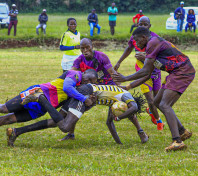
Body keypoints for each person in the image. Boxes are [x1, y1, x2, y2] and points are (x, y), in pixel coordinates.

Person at [112, 27, 195, 152]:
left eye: (137, 40)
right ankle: (183, 131)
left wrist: (125, 78)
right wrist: (128, 86)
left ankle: (177, 141)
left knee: (165, 104)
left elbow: (145, 70)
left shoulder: (152, 43)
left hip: (182, 71)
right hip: (176, 72)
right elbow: (147, 75)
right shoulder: (150, 46)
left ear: (144, 37)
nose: (136, 43)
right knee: (156, 102)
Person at [7, 83, 148, 146]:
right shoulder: (126, 96)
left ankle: (16, 132)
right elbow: (134, 108)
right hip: (85, 93)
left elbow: (109, 123)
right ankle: (41, 97)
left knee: (56, 121)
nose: (128, 113)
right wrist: (119, 117)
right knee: (65, 126)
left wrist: (119, 144)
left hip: (85, 91)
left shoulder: (115, 102)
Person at [0, 69, 98, 144]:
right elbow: (67, 87)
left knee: (9, 119)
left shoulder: (80, 91)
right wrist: (84, 99)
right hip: (37, 92)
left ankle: (16, 132)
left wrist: (88, 104)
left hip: (42, 107)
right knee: (3, 109)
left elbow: (62, 116)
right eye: (88, 79)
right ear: (84, 72)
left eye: (91, 82)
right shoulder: (76, 74)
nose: (87, 82)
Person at [114, 16, 164, 131]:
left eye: (145, 24)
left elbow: (160, 56)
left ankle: (151, 111)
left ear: (149, 26)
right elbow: (129, 48)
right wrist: (119, 62)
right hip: (142, 70)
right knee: (150, 100)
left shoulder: (155, 38)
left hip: (155, 70)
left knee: (157, 100)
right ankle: (159, 121)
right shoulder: (135, 36)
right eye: (140, 24)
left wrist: (145, 56)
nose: (142, 26)